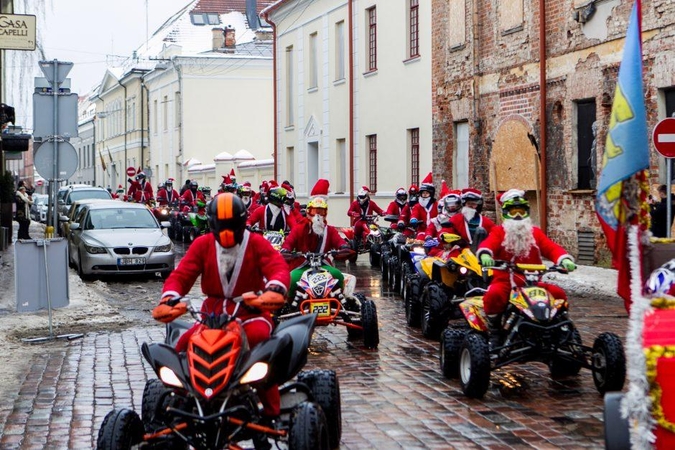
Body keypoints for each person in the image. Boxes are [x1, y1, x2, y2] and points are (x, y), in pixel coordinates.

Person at [152, 193, 289, 422]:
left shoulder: (256, 243)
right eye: (221, 226)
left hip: (250, 312)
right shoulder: (202, 244)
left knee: (261, 344)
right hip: (212, 314)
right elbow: (182, 275)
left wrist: (274, 289)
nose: (226, 232)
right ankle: (182, 400)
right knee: (183, 345)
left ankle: (271, 410)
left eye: (231, 226)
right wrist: (170, 297)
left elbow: (277, 267)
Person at [476, 189, 576, 347]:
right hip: (506, 281)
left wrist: (563, 259)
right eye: (513, 211)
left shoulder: (535, 233)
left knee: (558, 293)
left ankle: (561, 327)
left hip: (533, 282)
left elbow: (551, 248)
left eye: (521, 210)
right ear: (505, 212)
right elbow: (488, 244)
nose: (517, 215)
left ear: (526, 212)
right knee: (494, 295)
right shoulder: (499, 232)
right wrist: (485, 255)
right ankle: (495, 330)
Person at [281, 179, 353, 303]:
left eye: (321, 212)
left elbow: (339, 242)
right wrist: (286, 250)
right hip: (302, 265)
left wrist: (344, 247)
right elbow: (288, 242)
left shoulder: (329, 230)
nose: (317, 216)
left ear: (326, 214)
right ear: (308, 212)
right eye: (314, 212)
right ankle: (288, 305)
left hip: (323, 265)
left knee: (338, 276)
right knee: (292, 279)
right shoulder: (299, 228)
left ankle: (341, 304)